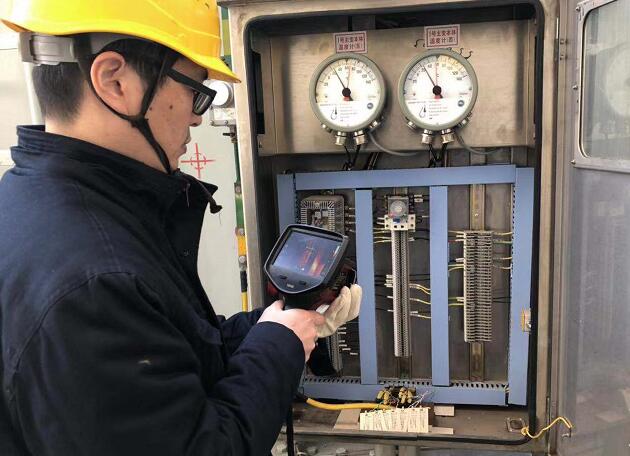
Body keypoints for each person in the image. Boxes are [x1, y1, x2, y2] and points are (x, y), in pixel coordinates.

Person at [0, 1, 362, 455]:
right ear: (115, 81)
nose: (197, 116)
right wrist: (280, 346)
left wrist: (280, 323)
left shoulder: (40, 204)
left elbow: (173, 353)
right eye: (196, 90)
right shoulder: (95, 280)